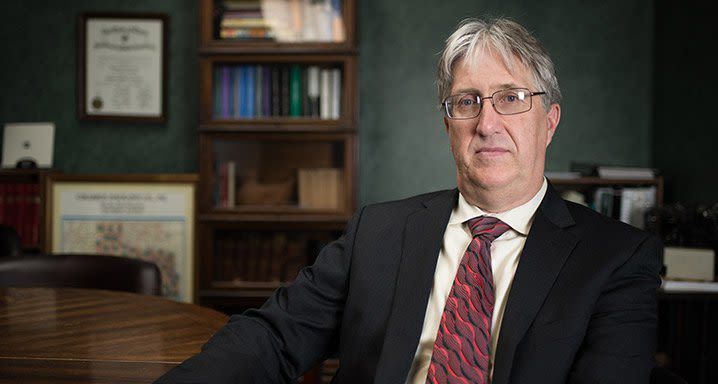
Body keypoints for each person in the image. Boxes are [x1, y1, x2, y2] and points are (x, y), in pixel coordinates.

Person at [156, 18, 661, 384]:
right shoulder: (378, 231)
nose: (487, 124)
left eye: (511, 98)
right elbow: (273, 337)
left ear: (548, 121)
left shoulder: (614, 258)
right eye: (467, 102)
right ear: (449, 126)